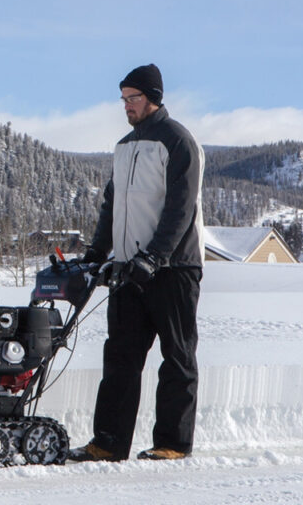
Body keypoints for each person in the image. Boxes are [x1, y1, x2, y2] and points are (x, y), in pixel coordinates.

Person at [69, 63, 205, 462]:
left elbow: (180, 208)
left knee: (177, 358)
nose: (126, 105)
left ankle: (172, 444)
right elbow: (113, 206)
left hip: (174, 269)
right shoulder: (125, 146)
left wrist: (156, 256)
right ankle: (108, 443)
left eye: (134, 98)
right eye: (123, 99)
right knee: (120, 359)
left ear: (154, 97)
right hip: (129, 270)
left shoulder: (178, 141)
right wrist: (96, 255)